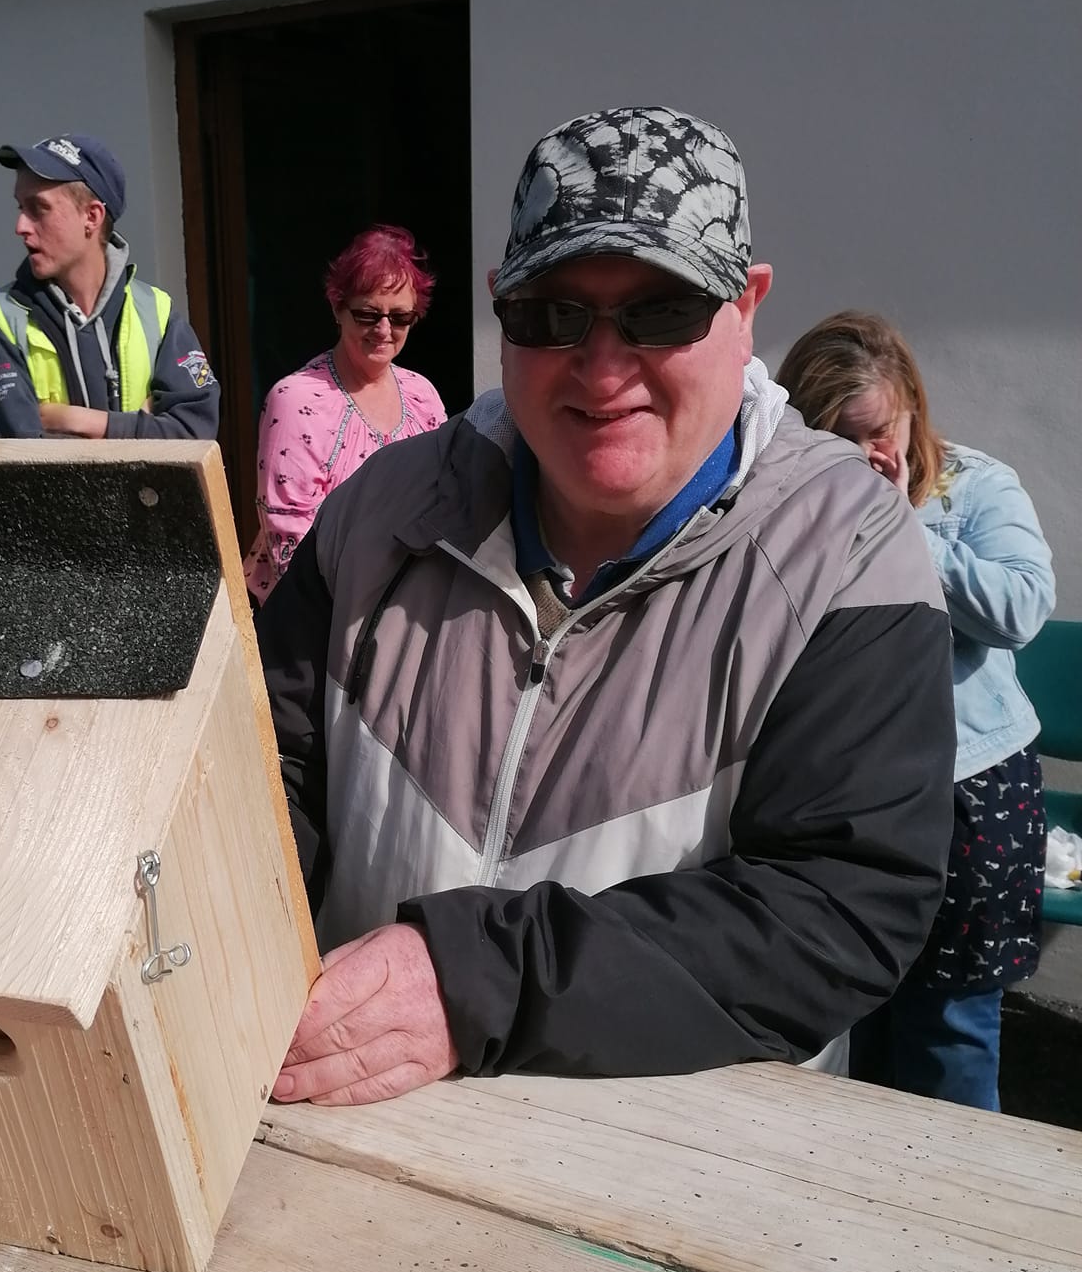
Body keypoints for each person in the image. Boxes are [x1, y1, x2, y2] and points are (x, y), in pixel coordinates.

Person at [258, 106, 955, 1106]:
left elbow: (839, 905)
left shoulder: (848, 553)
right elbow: (262, 776)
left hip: (666, 1201)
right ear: (502, 309)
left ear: (747, 306)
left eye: (661, 309)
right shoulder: (379, 510)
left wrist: (476, 978)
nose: (602, 365)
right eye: (553, 314)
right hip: (365, 1155)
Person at [776, 312, 1055, 1110]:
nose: (866, 455)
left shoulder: (974, 485)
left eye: (880, 432)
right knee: (836, 1017)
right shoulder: (781, 495)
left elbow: (1022, 608)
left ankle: (958, 1217)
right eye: (837, 439)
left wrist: (901, 525)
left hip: (967, 792)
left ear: (912, 414)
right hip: (839, 790)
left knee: (949, 1033)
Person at [244, 226, 447, 603]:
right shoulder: (296, 400)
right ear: (338, 307)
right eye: (368, 315)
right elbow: (288, 536)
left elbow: (446, 502)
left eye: (400, 317)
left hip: (406, 608)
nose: (384, 330)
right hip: (313, 617)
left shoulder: (423, 395)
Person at [0, 133, 219, 441]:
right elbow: (24, 459)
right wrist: (142, 425)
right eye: (20, 207)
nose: (20, 226)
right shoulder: (0, 318)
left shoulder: (156, 311)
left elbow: (194, 433)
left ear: (92, 216)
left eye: (38, 208)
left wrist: (81, 420)